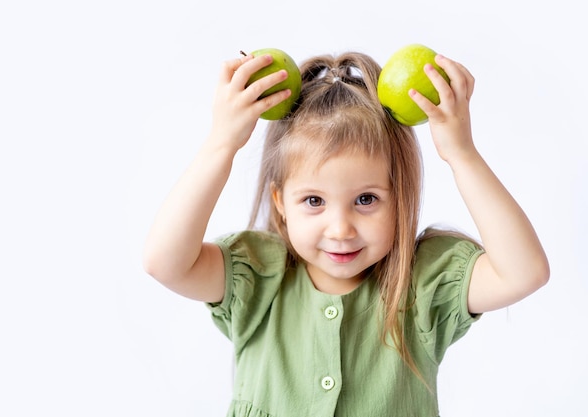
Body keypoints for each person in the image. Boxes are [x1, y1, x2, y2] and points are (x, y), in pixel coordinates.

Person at [142, 50, 549, 416]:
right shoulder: (257, 279)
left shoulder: (422, 286)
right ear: (280, 202)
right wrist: (221, 144)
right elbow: (164, 263)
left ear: (400, 197)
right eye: (314, 201)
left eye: (366, 199)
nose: (340, 230)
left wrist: (462, 154)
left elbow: (524, 272)